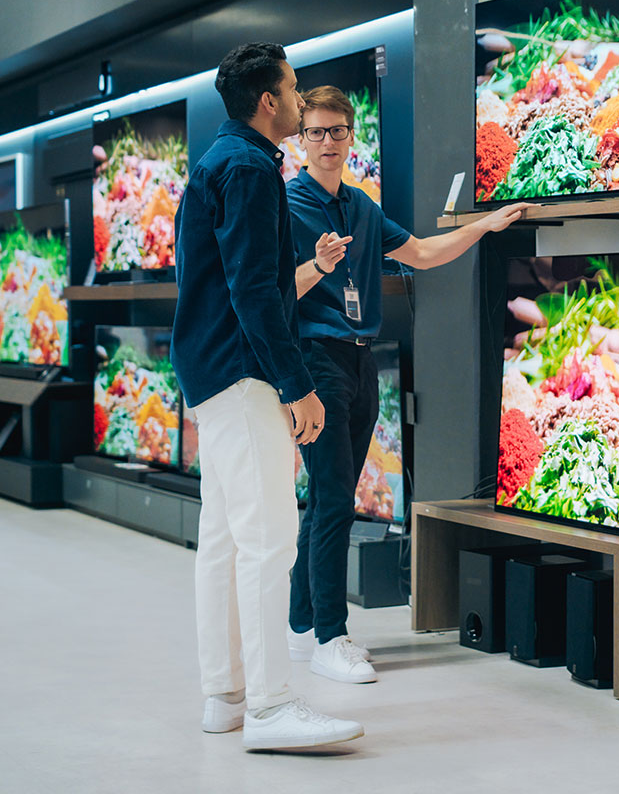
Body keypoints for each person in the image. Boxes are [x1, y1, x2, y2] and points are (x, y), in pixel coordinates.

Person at [284, 85, 534, 683]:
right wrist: (318, 265)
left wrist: (486, 225)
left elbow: (420, 252)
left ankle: (299, 627)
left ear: (350, 136)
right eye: (314, 132)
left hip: (361, 359)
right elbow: (273, 294)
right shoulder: (286, 206)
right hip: (315, 359)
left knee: (325, 499)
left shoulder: (363, 207)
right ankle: (329, 636)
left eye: (335, 131)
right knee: (335, 498)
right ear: (299, 140)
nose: (325, 142)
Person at [171, 42, 363, 752]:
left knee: (223, 539)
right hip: (243, 371)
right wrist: (297, 386)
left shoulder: (219, 160)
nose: (300, 99)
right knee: (269, 538)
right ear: (268, 102)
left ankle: (226, 695)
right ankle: (272, 707)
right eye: (292, 89)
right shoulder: (250, 168)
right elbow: (254, 291)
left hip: (208, 370)